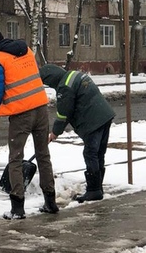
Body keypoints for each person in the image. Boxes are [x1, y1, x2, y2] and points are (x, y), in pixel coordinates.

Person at [0, 28, 57, 219]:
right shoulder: (26, 50)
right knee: (42, 155)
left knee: (15, 158)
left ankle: (17, 208)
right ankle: (50, 202)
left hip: (21, 114)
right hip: (40, 107)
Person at [39, 63, 115, 202]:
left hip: (93, 120)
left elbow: (63, 113)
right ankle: (98, 187)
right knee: (98, 153)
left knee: (90, 153)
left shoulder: (64, 87)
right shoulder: (73, 75)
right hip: (105, 115)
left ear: (51, 80)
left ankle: (94, 190)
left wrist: (54, 133)